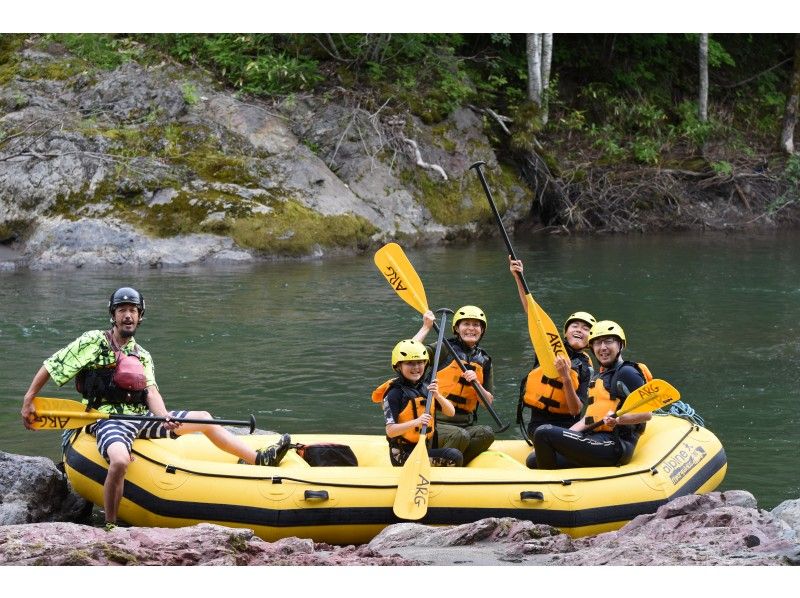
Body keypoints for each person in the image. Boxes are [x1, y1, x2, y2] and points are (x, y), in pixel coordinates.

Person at [21, 287, 291, 529]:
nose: (128, 316)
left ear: (140, 317)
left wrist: (164, 417)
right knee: (119, 460)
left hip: (140, 418)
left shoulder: (143, 355)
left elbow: (150, 391)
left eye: (133, 311)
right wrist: (29, 399)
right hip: (105, 419)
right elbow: (53, 365)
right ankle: (111, 525)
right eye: (122, 310)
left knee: (204, 418)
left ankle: (258, 459)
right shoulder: (94, 341)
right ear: (113, 316)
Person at [527, 320, 652, 469]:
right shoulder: (600, 377)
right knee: (533, 459)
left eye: (608, 342)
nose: (603, 347)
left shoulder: (628, 372)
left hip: (616, 444)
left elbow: (647, 413)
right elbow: (587, 420)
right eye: (598, 343)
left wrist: (618, 420)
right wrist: (562, 436)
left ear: (620, 345)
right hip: (596, 439)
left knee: (543, 431)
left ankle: (548, 483)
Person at [509, 258, 595, 440]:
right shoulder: (549, 346)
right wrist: (519, 277)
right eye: (575, 326)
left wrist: (565, 378)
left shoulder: (586, 368)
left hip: (569, 428)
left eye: (586, 329)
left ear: (591, 341)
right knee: (544, 433)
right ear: (565, 332)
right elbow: (531, 313)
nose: (580, 330)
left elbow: (575, 409)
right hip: (539, 426)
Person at [413, 306, 495, 464]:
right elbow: (410, 352)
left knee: (487, 433)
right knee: (459, 435)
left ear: (482, 330)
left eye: (476, 325)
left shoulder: (484, 360)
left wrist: (476, 383)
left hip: (465, 423)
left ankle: (456, 464)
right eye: (466, 324)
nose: (471, 328)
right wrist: (425, 327)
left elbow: (487, 403)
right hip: (435, 421)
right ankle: (440, 463)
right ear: (457, 328)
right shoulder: (444, 347)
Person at [372, 339, 463, 467]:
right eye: (410, 363)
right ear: (398, 366)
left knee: (455, 453)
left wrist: (437, 395)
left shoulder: (427, 388)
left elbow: (451, 412)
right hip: (403, 454)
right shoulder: (393, 394)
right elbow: (390, 431)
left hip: (424, 447)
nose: (416, 368)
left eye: (420, 362)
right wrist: (417, 422)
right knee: (454, 456)